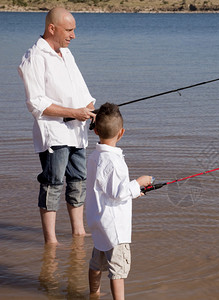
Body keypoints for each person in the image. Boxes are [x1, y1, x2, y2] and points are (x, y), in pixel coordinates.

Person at [18, 7, 96, 244]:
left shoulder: (67, 53)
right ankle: (50, 241)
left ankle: (78, 231)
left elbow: (83, 91)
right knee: (52, 183)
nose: (73, 35)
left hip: (77, 132)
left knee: (78, 180)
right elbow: (36, 103)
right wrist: (74, 112)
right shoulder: (33, 57)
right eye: (69, 30)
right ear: (52, 28)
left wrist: (91, 109)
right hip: (53, 134)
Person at [85, 103, 152, 300]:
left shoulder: (94, 157)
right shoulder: (115, 162)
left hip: (99, 223)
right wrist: (139, 183)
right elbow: (120, 192)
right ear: (121, 133)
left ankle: (93, 293)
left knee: (96, 263)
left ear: (96, 131)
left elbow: (106, 189)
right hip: (115, 230)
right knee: (118, 271)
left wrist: (135, 192)